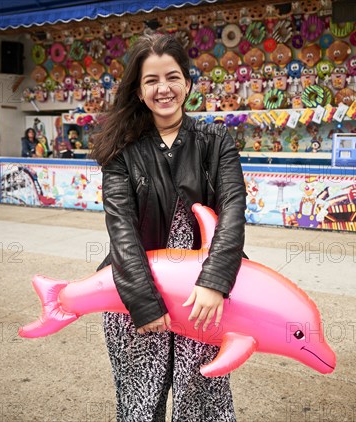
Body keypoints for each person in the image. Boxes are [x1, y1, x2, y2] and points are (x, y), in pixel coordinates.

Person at [90, 33, 246, 422]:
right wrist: (143, 302)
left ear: (188, 83)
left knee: (203, 401)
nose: (164, 89)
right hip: (136, 293)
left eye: (173, 77)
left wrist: (214, 282)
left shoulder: (216, 140)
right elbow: (121, 228)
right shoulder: (121, 149)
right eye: (151, 80)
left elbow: (232, 212)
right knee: (139, 405)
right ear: (139, 91)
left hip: (202, 301)